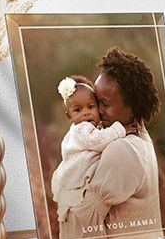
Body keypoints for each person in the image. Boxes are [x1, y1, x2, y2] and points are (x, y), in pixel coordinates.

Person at [59, 47, 163, 239]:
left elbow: (84, 219)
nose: (97, 110)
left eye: (105, 104)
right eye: (96, 101)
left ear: (132, 107)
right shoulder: (141, 139)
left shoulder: (122, 149)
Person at [50, 75, 137, 224]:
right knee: (77, 206)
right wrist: (120, 129)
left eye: (91, 107)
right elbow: (99, 141)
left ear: (98, 108)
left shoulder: (90, 128)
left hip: (78, 171)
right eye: (78, 110)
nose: (86, 113)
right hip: (75, 174)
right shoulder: (81, 129)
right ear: (69, 115)